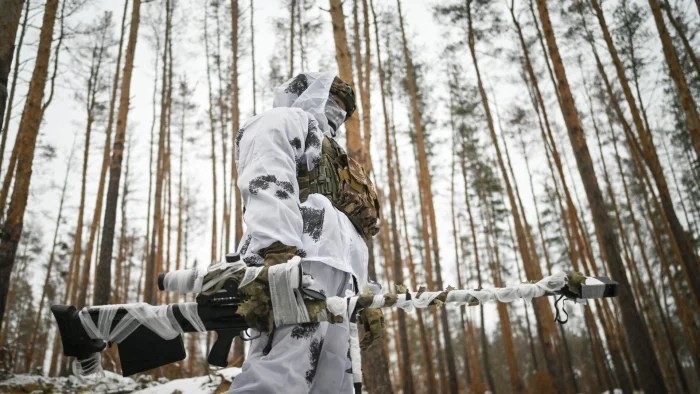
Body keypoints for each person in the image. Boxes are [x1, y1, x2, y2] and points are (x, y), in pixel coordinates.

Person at [227, 72, 380, 394]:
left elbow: (351, 233)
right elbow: (266, 177)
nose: (337, 112)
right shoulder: (286, 120)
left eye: (344, 108)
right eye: (333, 102)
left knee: (335, 381)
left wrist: (366, 293)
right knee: (282, 372)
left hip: (341, 278)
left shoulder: (336, 156)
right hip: (298, 262)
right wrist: (277, 250)